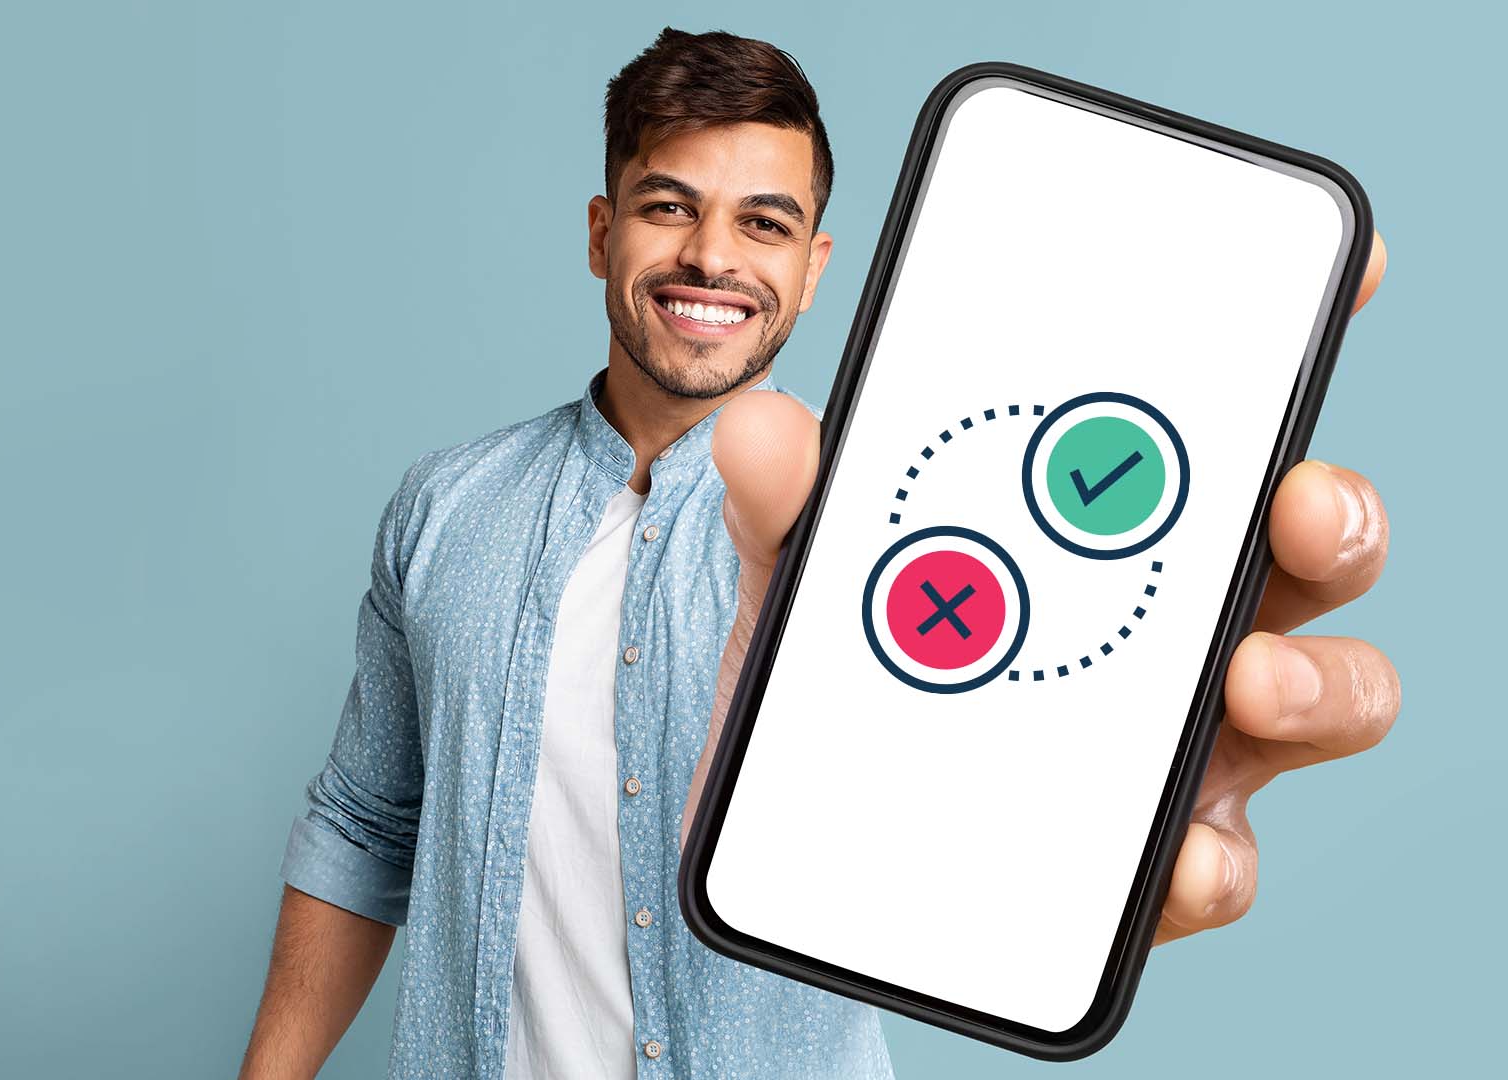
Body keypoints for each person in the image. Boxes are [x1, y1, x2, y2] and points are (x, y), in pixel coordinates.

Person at [236, 26, 1399, 1080]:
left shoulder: (890, 534)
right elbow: (364, 828)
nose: (711, 257)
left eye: (764, 223)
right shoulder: (444, 508)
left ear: (814, 267)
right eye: (667, 205)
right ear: (603, 234)